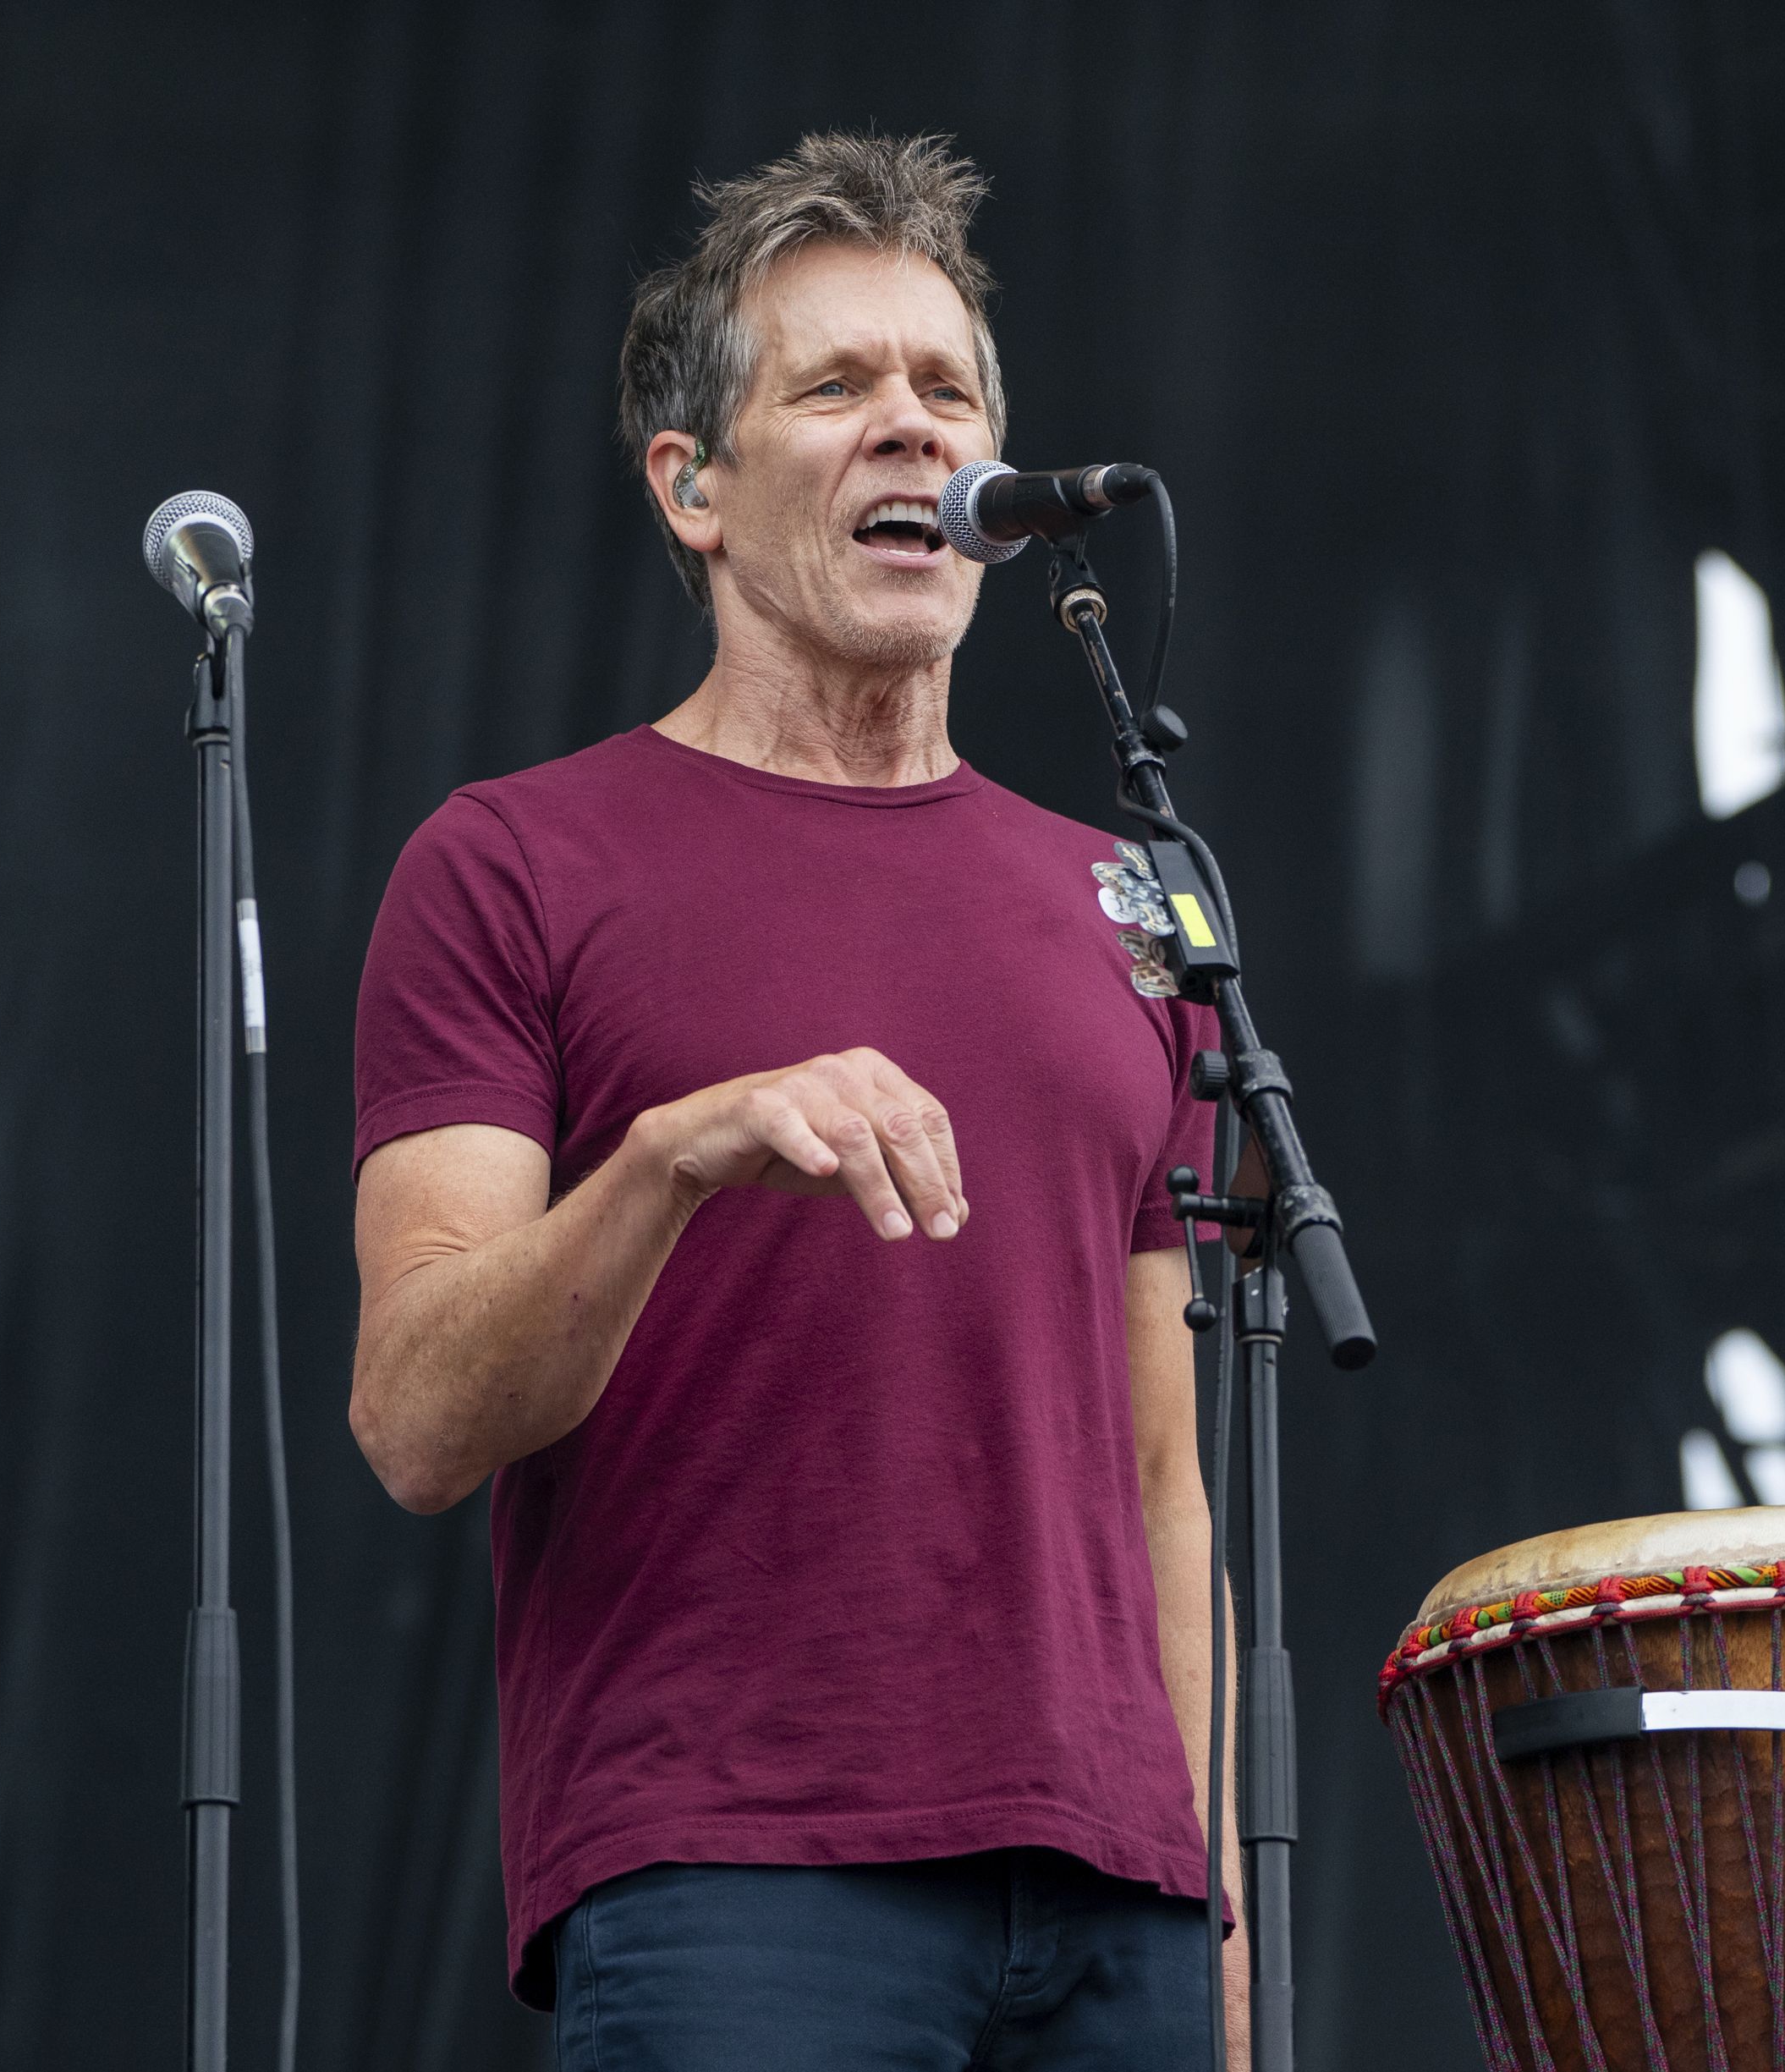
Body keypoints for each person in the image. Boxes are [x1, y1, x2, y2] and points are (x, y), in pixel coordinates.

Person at [348, 133, 1244, 2070]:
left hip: (1120, 1901)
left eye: (949, 390)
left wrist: (1220, 1936)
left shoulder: (1125, 899)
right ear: (692, 488)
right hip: (736, 1866)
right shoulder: (515, 862)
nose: (911, 430)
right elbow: (415, 1414)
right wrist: (673, 1154)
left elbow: (1169, 1485)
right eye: (834, 388)